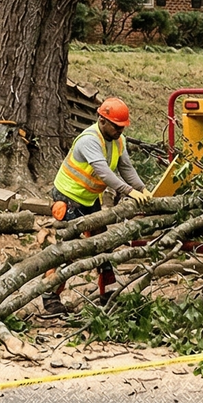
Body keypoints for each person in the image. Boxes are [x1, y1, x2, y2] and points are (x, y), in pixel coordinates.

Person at [42, 97, 147, 312]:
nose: (120, 131)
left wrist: (143, 189)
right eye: (116, 127)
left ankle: (108, 295)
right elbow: (104, 173)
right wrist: (129, 191)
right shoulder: (89, 140)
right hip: (68, 199)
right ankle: (49, 297)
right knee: (68, 251)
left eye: (122, 127)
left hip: (89, 199)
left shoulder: (119, 141)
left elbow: (126, 168)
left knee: (103, 247)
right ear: (102, 120)